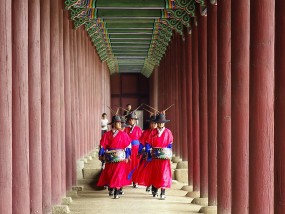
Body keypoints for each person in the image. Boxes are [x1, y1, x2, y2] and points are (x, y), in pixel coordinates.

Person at [97, 115, 131, 199]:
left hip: (120, 158)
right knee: (110, 174)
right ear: (114, 124)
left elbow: (128, 146)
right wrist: (101, 154)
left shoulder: (124, 135)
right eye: (118, 123)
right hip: (110, 158)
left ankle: (116, 192)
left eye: (120, 123)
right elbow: (102, 145)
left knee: (118, 174)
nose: (120, 125)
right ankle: (111, 188)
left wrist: (127, 156)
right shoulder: (107, 134)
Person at [143, 113, 173, 200]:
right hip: (155, 157)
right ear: (157, 123)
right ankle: (155, 188)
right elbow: (148, 143)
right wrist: (149, 151)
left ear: (164, 123)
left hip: (164, 157)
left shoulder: (168, 132)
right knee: (156, 173)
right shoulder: (153, 132)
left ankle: (163, 192)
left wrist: (169, 153)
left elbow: (170, 145)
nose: (160, 124)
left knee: (164, 173)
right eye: (159, 122)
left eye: (162, 122)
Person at [133, 114, 157, 192]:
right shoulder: (146, 132)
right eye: (151, 123)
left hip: (158, 155)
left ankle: (154, 186)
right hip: (148, 155)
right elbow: (142, 143)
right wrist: (139, 152)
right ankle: (149, 184)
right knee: (148, 171)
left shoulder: (160, 132)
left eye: (154, 123)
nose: (153, 125)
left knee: (156, 171)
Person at [124, 111, 142, 187]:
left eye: (133, 119)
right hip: (128, 150)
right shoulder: (126, 129)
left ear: (135, 120)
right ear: (128, 120)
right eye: (130, 119)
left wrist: (141, 151)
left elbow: (142, 140)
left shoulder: (138, 129)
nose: (131, 121)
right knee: (128, 165)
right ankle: (128, 180)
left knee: (136, 165)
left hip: (136, 150)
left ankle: (135, 181)